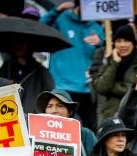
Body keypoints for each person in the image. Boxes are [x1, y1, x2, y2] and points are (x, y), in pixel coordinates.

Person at [41, 1, 104, 130]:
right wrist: (56, 11)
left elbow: (108, 53)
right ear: (77, 5)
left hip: (88, 88)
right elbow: (40, 27)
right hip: (62, 86)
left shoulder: (96, 27)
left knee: (88, 130)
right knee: (63, 129)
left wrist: (101, 42)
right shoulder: (61, 19)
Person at [96, 25, 137, 124]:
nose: (122, 45)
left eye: (126, 41)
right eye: (118, 41)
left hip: (132, 118)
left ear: (133, 44)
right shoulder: (109, 61)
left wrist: (111, 87)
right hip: (109, 118)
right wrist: (114, 63)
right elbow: (101, 87)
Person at [36, 89, 97, 156]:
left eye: (60, 106)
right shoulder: (36, 136)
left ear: (70, 112)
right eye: (49, 106)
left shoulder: (85, 134)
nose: (54, 111)